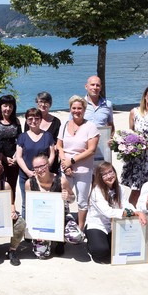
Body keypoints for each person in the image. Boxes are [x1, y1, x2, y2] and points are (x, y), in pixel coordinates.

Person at [85, 162, 147, 264]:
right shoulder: (96, 192)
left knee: (123, 250)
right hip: (97, 225)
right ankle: (90, 244)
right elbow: (108, 212)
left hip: (114, 225)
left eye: (110, 172)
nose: (109, 176)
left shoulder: (120, 188)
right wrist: (125, 213)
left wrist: (137, 212)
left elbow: (125, 204)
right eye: (104, 174)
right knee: (101, 252)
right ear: (99, 177)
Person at [56, 96, 99, 230]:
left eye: (79, 108)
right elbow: (59, 146)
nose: (76, 111)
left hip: (83, 170)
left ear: (84, 109)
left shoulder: (91, 127)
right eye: (74, 108)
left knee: (82, 200)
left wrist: (72, 161)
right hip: (66, 168)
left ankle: (80, 228)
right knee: (65, 198)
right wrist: (65, 163)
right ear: (70, 109)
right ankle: (63, 225)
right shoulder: (64, 125)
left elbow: (91, 150)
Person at [24, 153, 78, 259]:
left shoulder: (61, 181)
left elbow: (72, 199)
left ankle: (60, 241)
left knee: (76, 237)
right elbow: (29, 207)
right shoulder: (29, 183)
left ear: (48, 164)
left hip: (60, 217)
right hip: (42, 220)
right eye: (36, 167)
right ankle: (48, 240)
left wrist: (68, 197)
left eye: (42, 166)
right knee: (42, 255)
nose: (39, 170)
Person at [16, 107, 55, 216]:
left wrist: (46, 168)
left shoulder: (48, 136)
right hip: (25, 176)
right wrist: (28, 171)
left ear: (41, 120)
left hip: (44, 176)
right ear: (26, 120)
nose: (33, 121)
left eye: (36, 118)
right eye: (30, 119)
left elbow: (52, 154)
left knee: (44, 202)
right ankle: (26, 229)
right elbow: (19, 156)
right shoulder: (22, 137)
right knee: (26, 203)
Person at [27, 92, 62, 175]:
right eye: (41, 102)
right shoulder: (30, 121)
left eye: (46, 102)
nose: (43, 104)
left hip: (51, 163)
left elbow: (58, 142)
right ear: (37, 103)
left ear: (50, 104)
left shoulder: (56, 122)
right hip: (32, 162)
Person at [0, 95, 21, 200]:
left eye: (10, 106)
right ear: (0, 107)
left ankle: (11, 206)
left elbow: (20, 140)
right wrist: (4, 158)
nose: (7, 109)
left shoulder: (16, 121)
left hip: (14, 158)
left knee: (12, 185)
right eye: (5, 106)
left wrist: (15, 157)